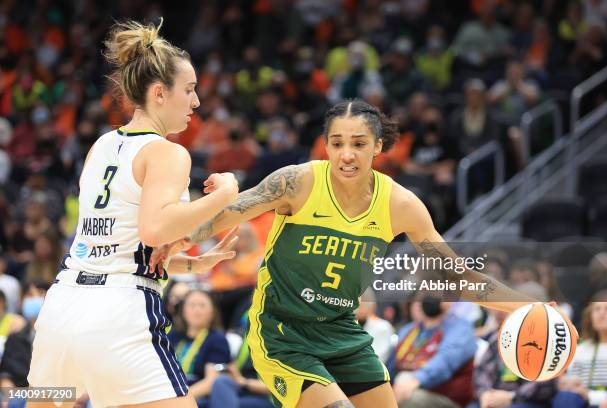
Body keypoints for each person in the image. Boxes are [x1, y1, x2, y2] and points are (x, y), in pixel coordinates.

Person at [157, 99, 548, 407]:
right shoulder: (297, 182)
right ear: (325, 145)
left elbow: (458, 275)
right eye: (337, 143)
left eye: (359, 144)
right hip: (282, 330)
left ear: (378, 146)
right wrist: (172, 237)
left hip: (341, 330)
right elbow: (226, 212)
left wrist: (527, 307)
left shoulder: (401, 204)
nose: (347, 154)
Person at [27, 19, 239, 408]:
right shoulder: (167, 152)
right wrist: (224, 194)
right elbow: (154, 229)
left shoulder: (101, 145)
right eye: (189, 91)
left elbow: (114, 244)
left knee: (42, 401)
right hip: (118, 314)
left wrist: (188, 266)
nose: (196, 102)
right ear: (160, 93)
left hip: (62, 306)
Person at [168, 289, 231, 407]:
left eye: (202, 305)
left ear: (212, 311)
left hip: (199, 398)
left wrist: (179, 400)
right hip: (170, 394)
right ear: (183, 310)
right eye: (192, 305)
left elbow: (210, 382)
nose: (197, 310)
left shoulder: (217, 339)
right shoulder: (173, 336)